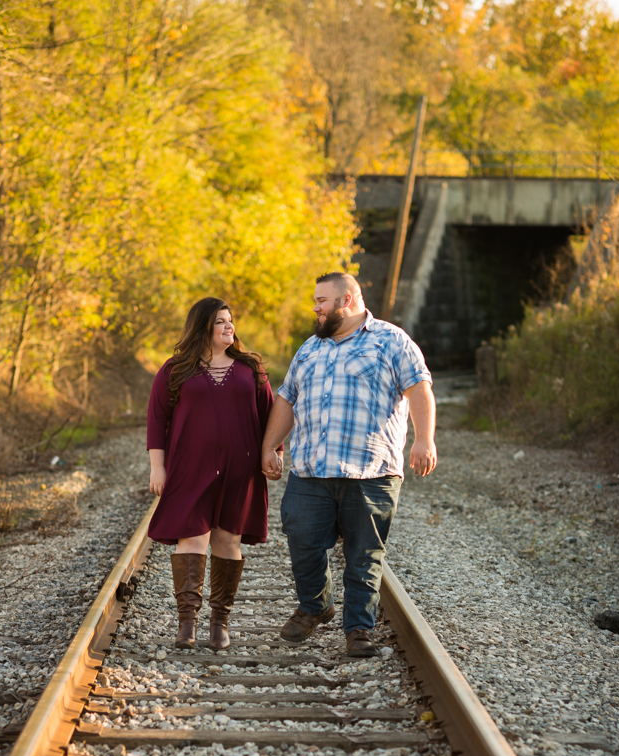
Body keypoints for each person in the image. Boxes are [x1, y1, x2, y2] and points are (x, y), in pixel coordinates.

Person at [260, 272, 436, 657]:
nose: (315, 308)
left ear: (347, 301)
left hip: (371, 472)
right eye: (315, 301)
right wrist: (269, 446)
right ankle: (316, 605)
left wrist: (424, 438)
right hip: (311, 472)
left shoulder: (390, 340)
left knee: (363, 556)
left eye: (322, 301)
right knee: (302, 541)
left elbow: (419, 388)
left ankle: (358, 629)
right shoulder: (309, 348)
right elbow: (287, 399)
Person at [147, 297, 280, 651]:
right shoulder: (175, 370)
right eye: (221, 321)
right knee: (191, 538)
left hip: (242, 472)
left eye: (231, 320)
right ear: (203, 326)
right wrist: (157, 466)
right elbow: (157, 420)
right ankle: (186, 623)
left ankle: (220, 622)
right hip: (189, 469)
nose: (229, 326)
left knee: (227, 541)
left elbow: (270, 415)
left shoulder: (250, 369)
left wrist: (273, 453)